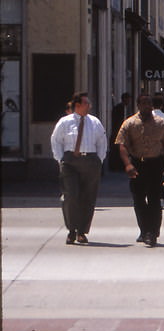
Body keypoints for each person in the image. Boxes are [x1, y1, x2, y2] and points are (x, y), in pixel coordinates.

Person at [115, 93, 164, 247]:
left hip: (155, 165)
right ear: (138, 105)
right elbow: (122, 145)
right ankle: (144, 230)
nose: (148, 106)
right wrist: (128, 164)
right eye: (144, 103)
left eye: (149, 103)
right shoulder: (129, 123)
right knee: (139, 200)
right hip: (137, 165)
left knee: (155, 200)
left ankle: (152, 233)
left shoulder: (161, 123)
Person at [50, 92, 107, 244]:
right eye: (86, 103)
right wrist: (60, 159)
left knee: (88, 198)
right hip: (70, 162)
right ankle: (71, 230)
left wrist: (99, 160)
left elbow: (102, 142)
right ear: (78, 105)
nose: (89, 106)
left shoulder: (94, 122)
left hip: (90, 161)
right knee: (71, 195)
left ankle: (82, 231)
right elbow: (56, 141)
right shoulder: (65, 122)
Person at [108, 92, 132, 171]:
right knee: (117, 150)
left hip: (124, 133)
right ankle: (116, 166)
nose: (129, 101)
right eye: (128, 99)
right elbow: (116, 121)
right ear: (124, 99)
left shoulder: (128, 109)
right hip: (117, 132)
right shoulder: (118, 108)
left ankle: (121, 166)